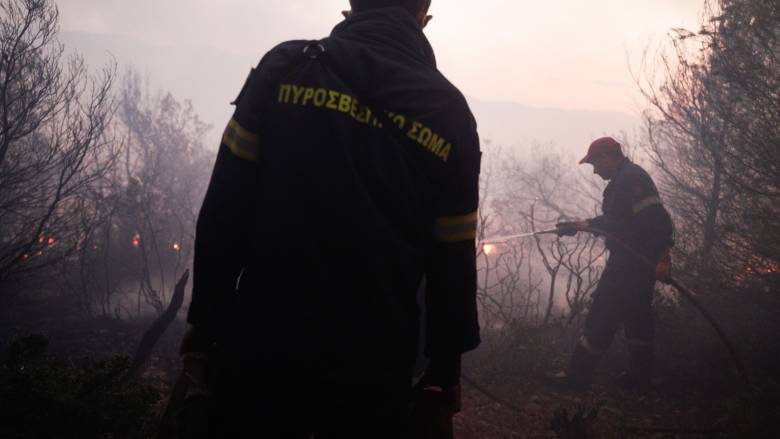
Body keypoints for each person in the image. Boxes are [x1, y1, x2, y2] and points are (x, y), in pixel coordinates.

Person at [176, 0, 482, 437]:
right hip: (376, 366)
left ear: (351, 9)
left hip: (262, 344)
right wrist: (443, 372)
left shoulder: (286, 67)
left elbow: (226, 208)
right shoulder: (451, 113)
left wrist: (206, 325)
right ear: (423, 19)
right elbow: (452, 254)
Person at [553, 137, 674, 392]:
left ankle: (576, 378)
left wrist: (662, 256)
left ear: (609, 157)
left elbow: (658, 220)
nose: (595, 170)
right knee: (636, 318)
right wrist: (582, 225)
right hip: (637, 265)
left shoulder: (631, 179)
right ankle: (640, 379)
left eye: (595, 163)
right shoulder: (626, 179)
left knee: (602, 315)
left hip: (629, 266)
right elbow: (620, 222)